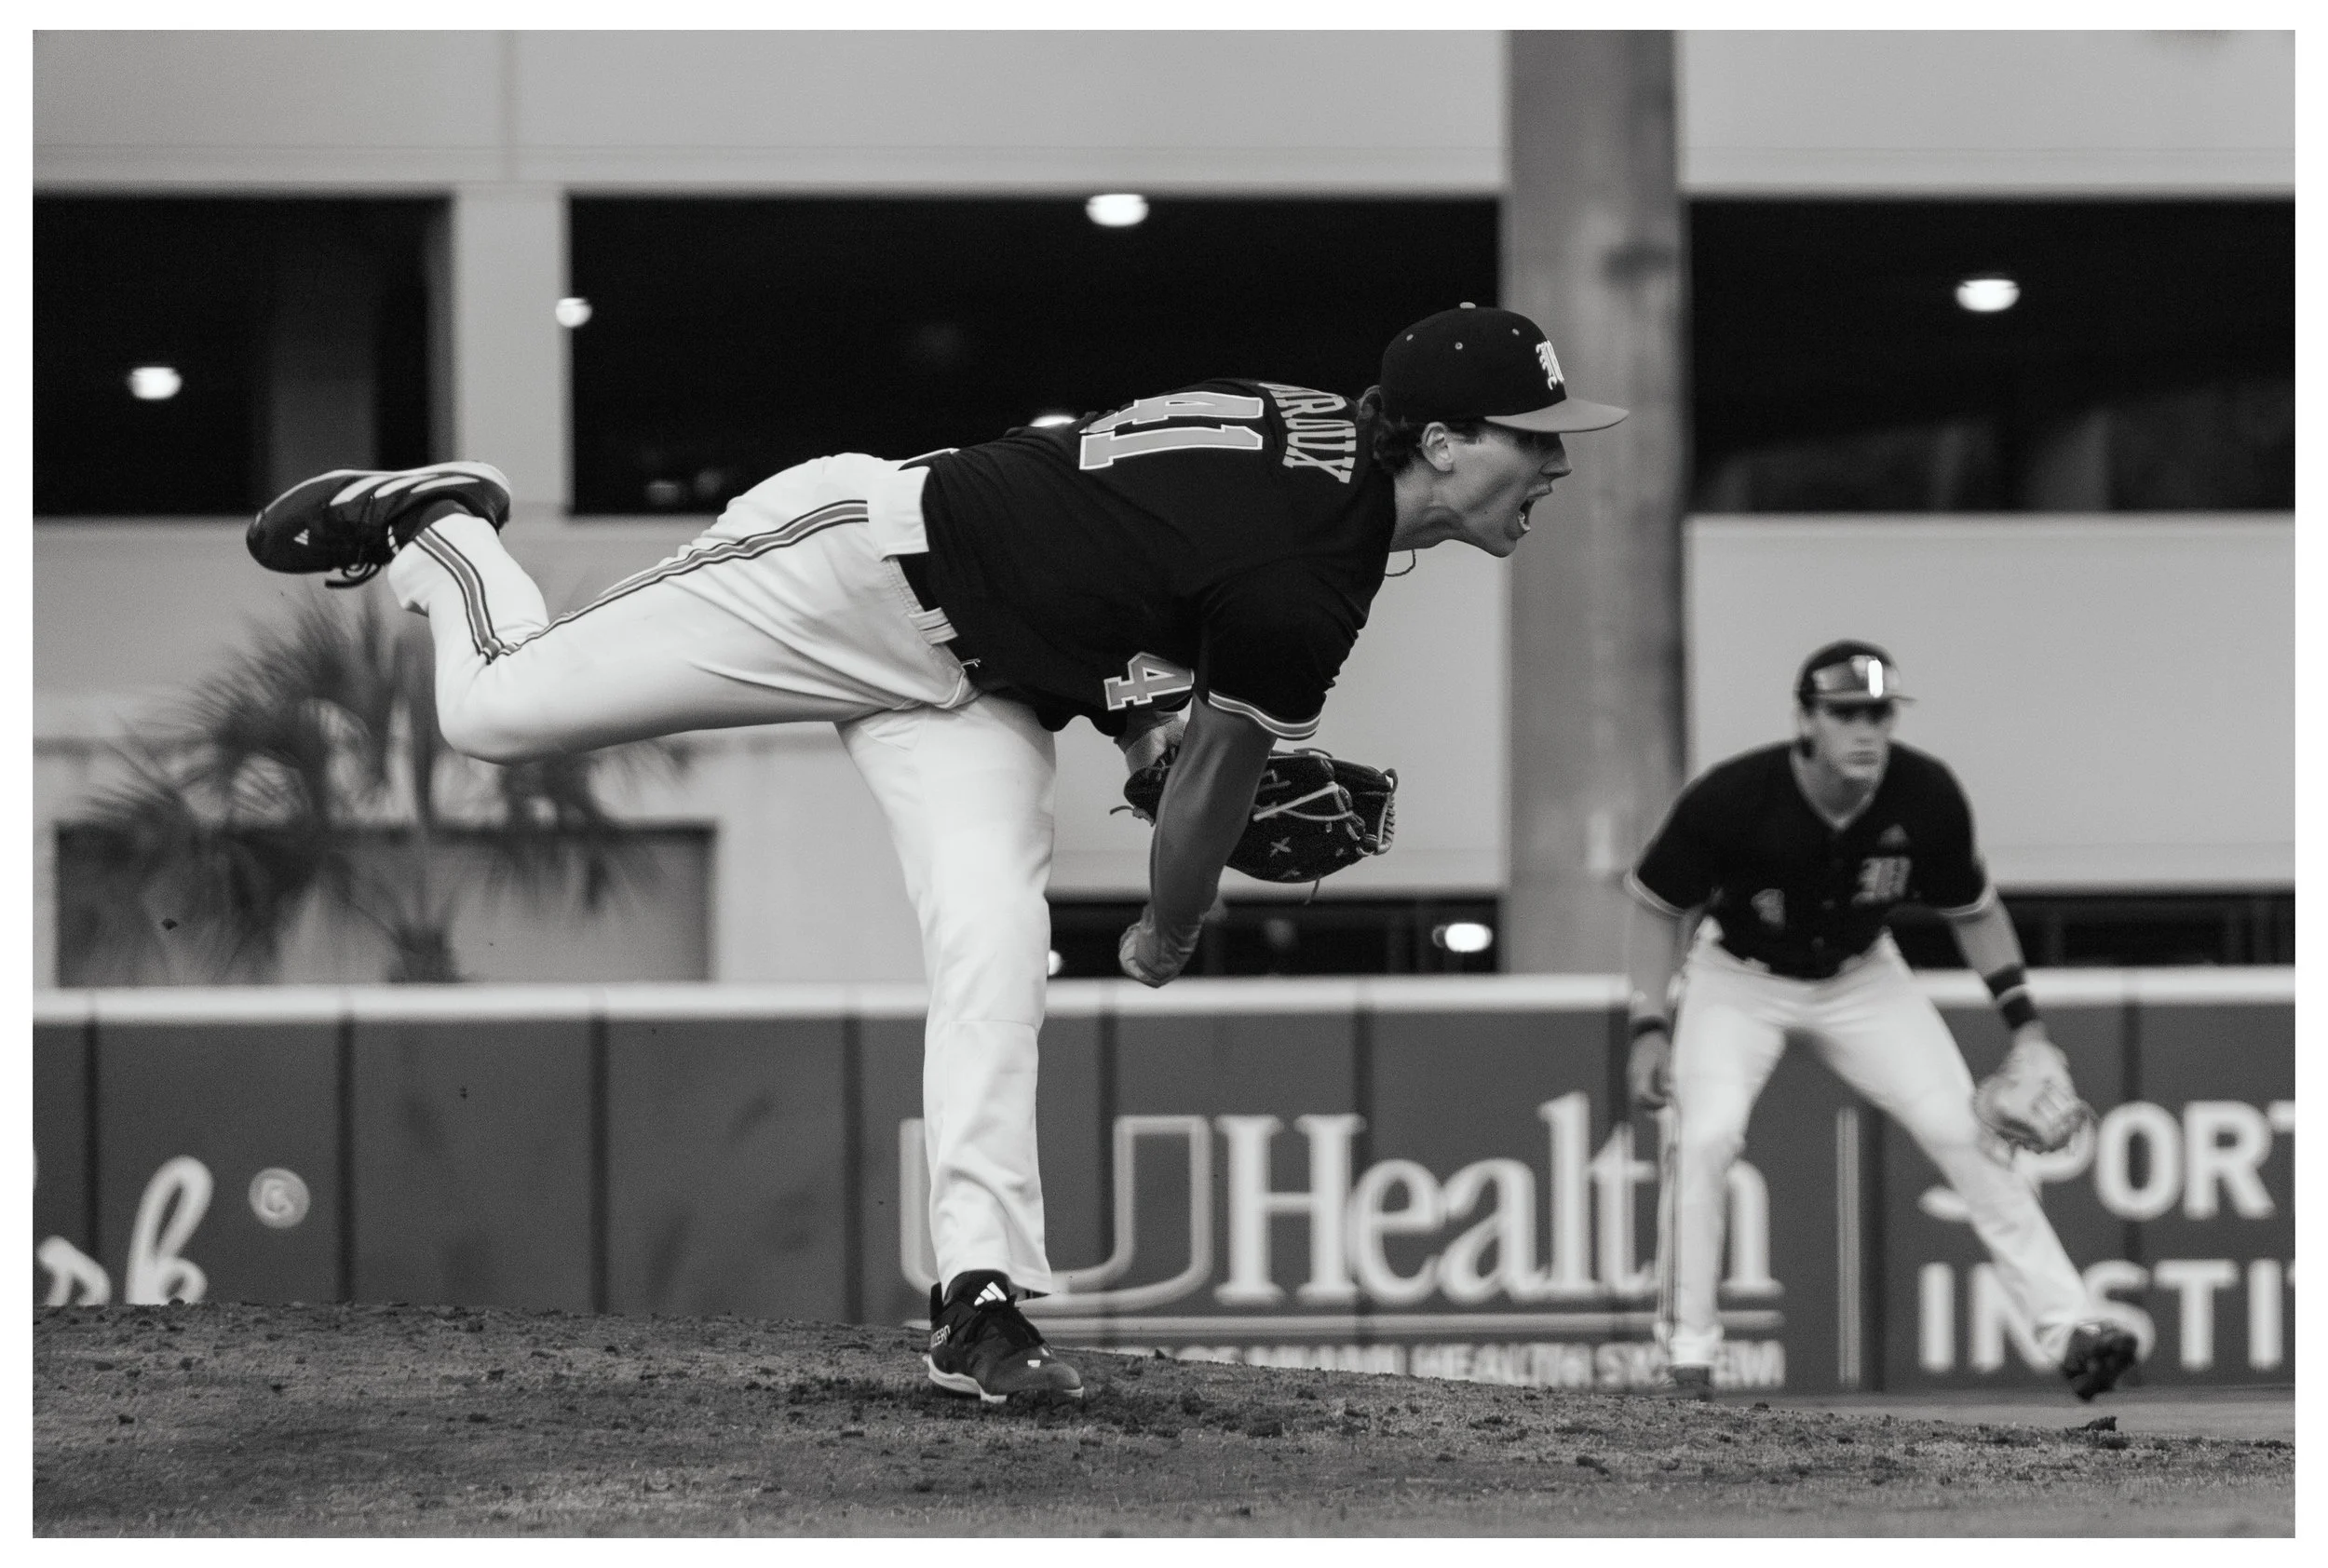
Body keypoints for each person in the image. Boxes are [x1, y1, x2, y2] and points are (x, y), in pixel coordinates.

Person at [247, 304, 1627, 1404]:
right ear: (1441, 442)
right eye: (1534, 439)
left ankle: (979, 1296)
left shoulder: (1316, 437)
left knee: (992, 940)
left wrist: (1147, 727)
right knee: (494, 710)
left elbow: (1119, 553)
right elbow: (1210, 780)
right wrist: (1170, 926)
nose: (1555, 465)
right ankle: (445, 530)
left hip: (981, 690)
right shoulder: (1306, 584)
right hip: (852, 568)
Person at [1622, 641, 2139, 1401]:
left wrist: (2026, 1028)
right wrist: (1647, 1025)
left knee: (1968, 1133)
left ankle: (2071, 1330)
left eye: (1879, 713)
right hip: (1739, 978)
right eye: (1845, 713)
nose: (1866, 730)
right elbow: (1655, 906)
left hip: (1863, 976)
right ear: (1806, 720)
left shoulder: (1924, 794)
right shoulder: (1735, 798)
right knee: (1704, 1137)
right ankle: (1688, 1355)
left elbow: (1975, 911)